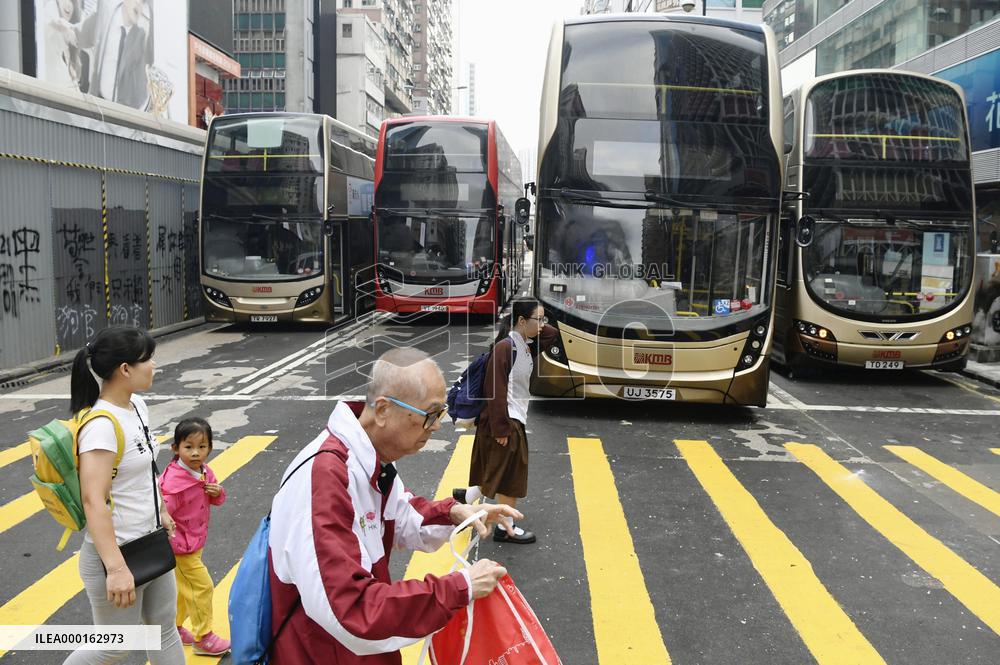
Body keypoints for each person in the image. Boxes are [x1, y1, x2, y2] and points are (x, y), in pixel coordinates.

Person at [267, 347, 519, 664]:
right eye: (430, 414)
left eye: (440, 413)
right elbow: (352, 611)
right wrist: (460, 587)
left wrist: (455, 513)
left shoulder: (368, 457)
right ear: (384, 410)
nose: (436, 426)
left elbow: (399, 514)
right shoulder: (325, 478)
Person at [64, 327, 184, 665]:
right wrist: (116, 569)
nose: (154, 365)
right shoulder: (101, 425)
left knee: (164, 630)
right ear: (125, 369)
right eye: (148, 359)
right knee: (114, 646)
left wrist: (160, 510)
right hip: (115, 555)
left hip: (150, 541)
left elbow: (144, 470)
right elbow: (93, 500)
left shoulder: (137, 406)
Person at [465, 298, 559, 544]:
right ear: (521, 321)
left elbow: (552, 334)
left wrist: (538, 319)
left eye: (543, 319)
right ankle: (505, 528)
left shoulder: (525, 346)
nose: (543, 325)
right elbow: (494, 389)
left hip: (514, 417)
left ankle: (468, 498)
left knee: (503, 471)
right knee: (510, 476)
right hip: (506, 419)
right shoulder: (506, 348)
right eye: (539, 319)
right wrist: (501, 429)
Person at [158, 418, 230, 656]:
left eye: (202, 446)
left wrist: (217, 492)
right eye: (188, 447)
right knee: (202, 586)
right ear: (175, 448)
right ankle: (203, 637)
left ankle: (174, 627)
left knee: (183, 589)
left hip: (195, 541)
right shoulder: (173, 483)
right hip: (179, 546)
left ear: (210, 448)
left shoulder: (204, 471)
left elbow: (216, 499)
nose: (196, 453)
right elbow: (161, 512)